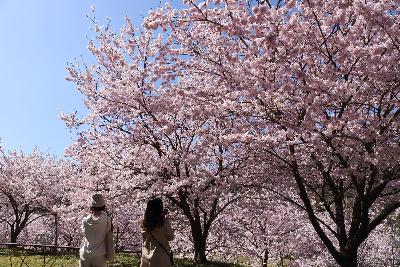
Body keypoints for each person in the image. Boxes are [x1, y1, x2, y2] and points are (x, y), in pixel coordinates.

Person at [140, 197, 175, 267]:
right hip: (160, 258)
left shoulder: (144, 223)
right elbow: (171, 237)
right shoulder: (164, 221)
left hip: (146, 258)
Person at [79, 193, 111, 267]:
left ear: (92, 207)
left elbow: (83, 233)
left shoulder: (85, 220)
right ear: (103, 207)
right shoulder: (107, 220)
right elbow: (108, 232)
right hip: (100, 254)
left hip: (85, 253)